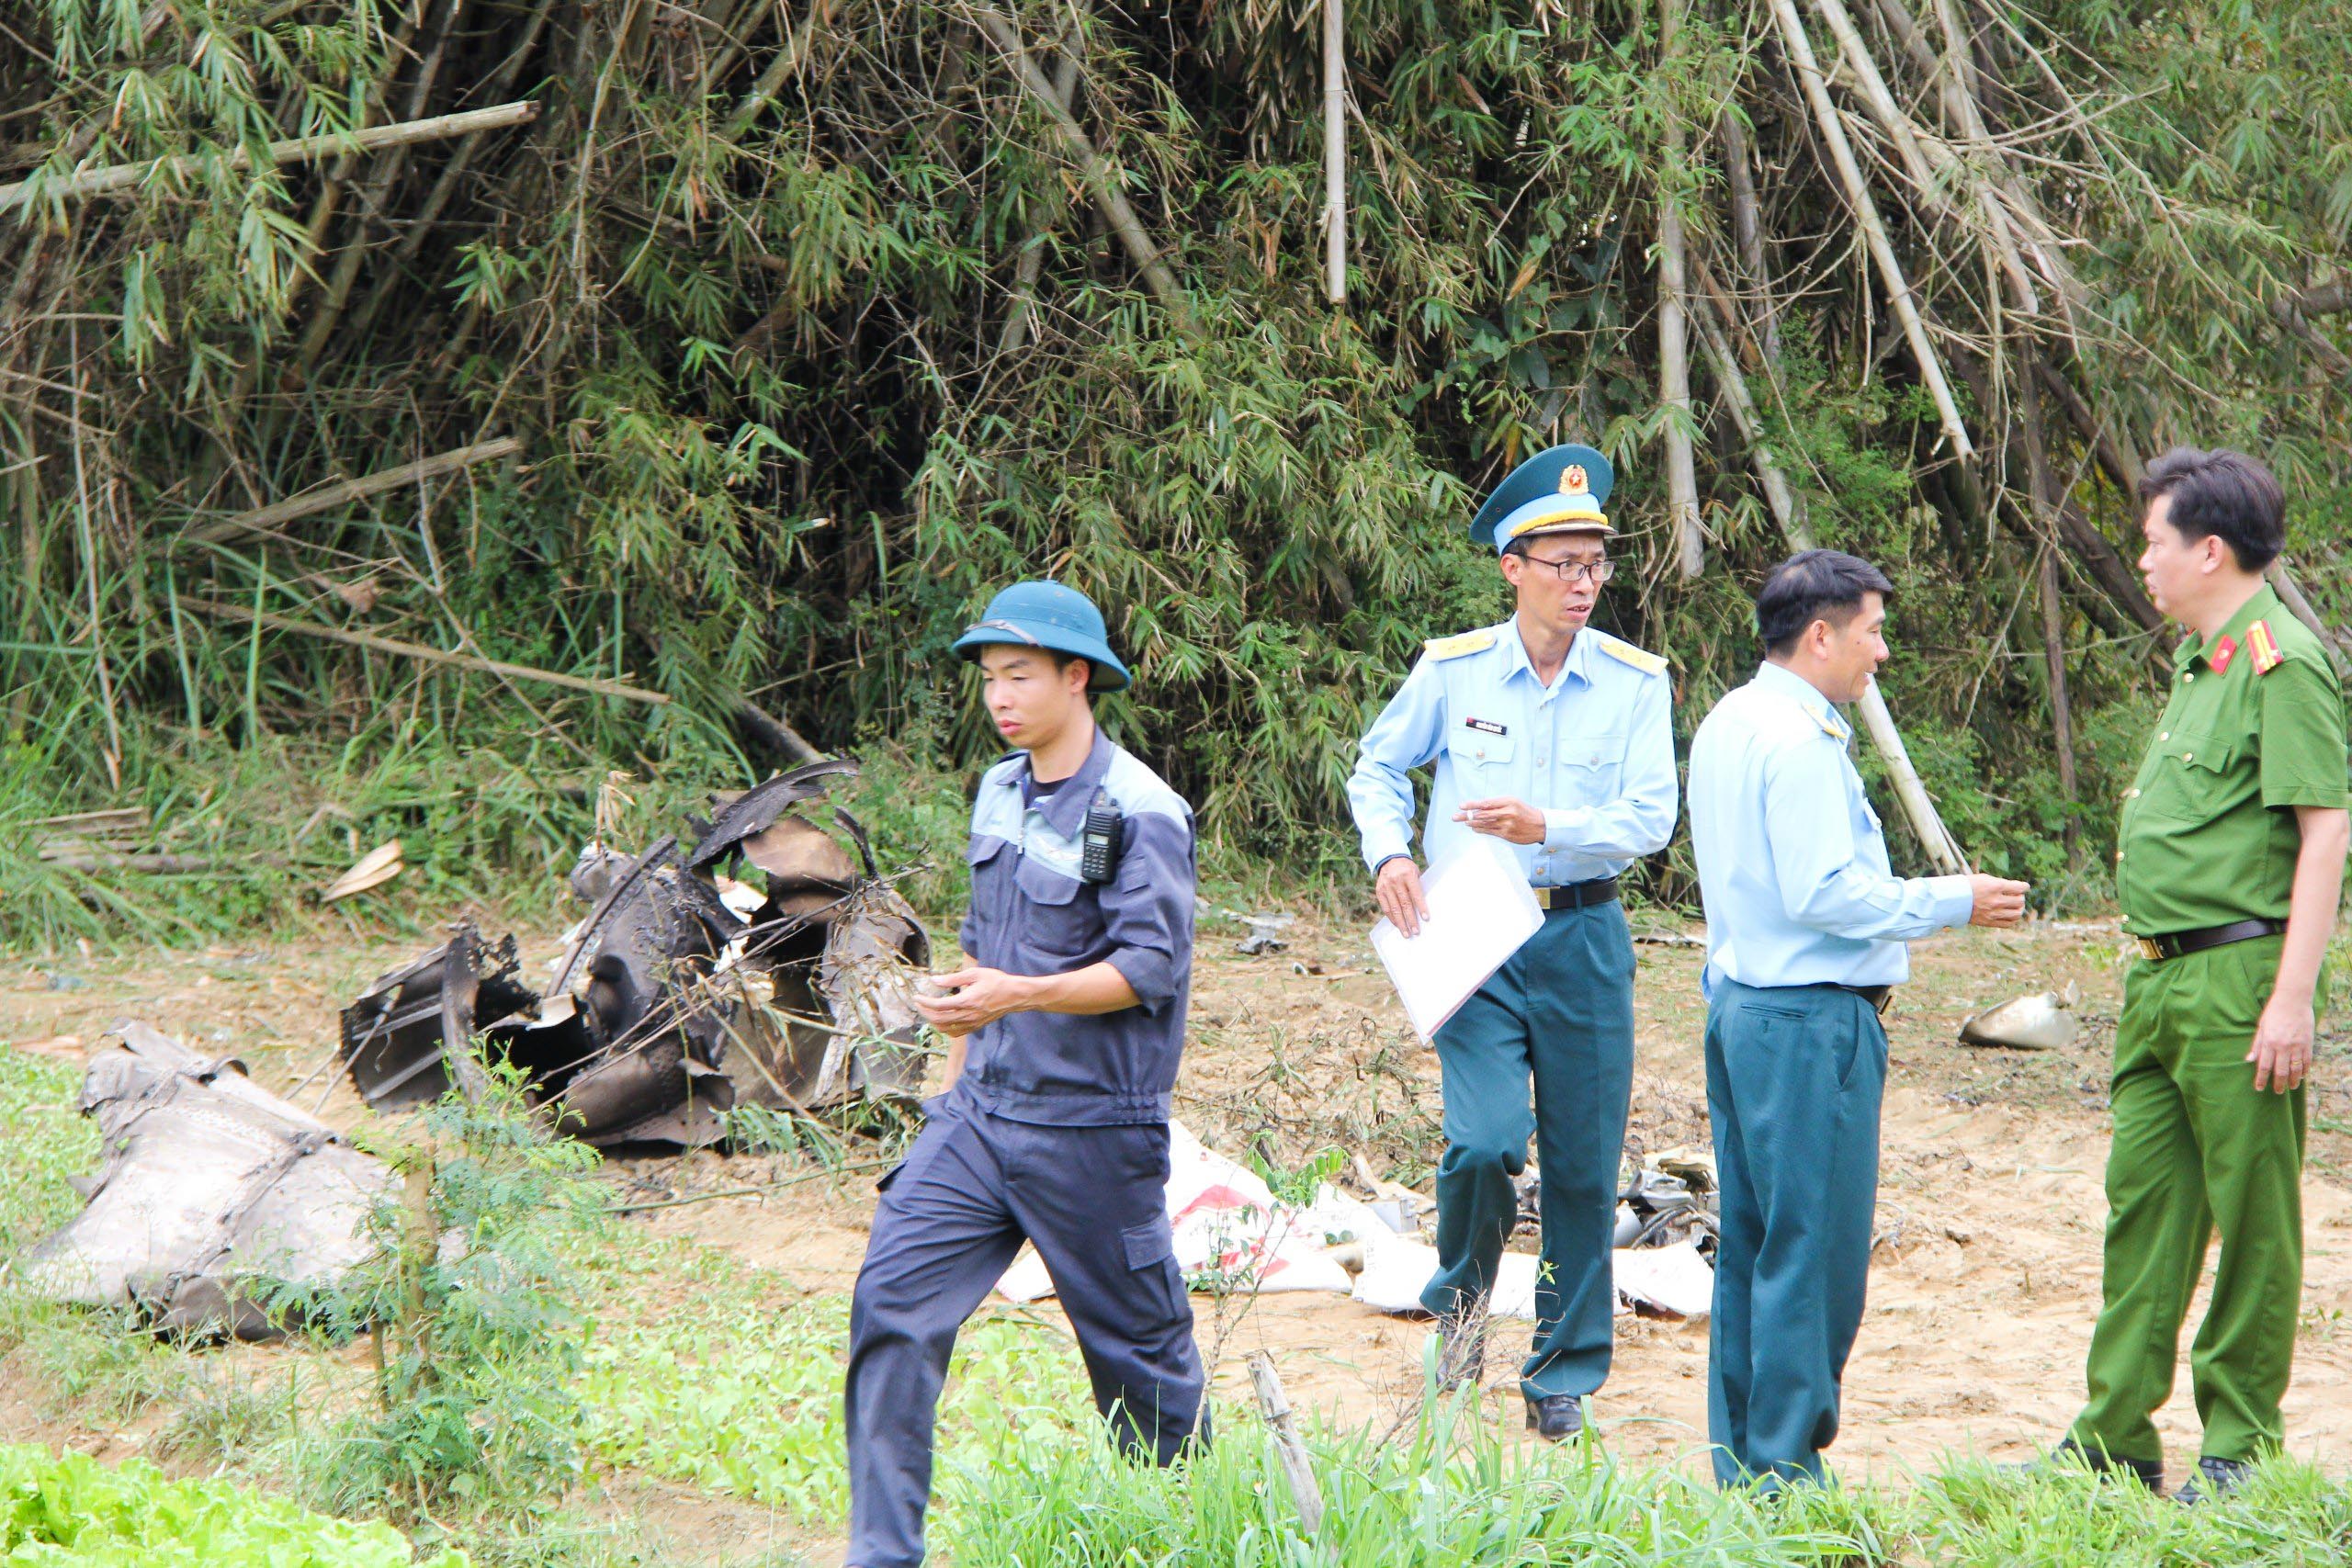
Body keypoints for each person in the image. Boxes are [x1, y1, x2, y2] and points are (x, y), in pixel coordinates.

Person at [842, 581, 1206, 1568]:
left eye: (1020, 676)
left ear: (1075, 677)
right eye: (990, 679)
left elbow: (1149, 970)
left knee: (1139, 1364)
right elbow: (980, 940)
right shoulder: (1000, 787)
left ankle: (1185, 1536)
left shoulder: (1141, 809)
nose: (1000, 698)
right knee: (891, 1308)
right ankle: (881, 1555)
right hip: (979, 1116)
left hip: (1093, 1126)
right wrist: (952, 1062)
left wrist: (1015, 994)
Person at [1345, 444, 1678, 1440]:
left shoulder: (1632, 681)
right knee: (1485, 1144)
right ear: (1512, 568)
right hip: (1474, 937)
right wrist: (1388, 857)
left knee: (1581, 1166)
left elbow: (1652, 815)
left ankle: (1561, 1374)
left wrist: (1555, 830)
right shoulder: (1452, 671)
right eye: (1562, 564)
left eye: (1595, 565)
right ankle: (1456, 1319)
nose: (1583, 585)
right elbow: (1375, 766)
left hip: (1581, 931)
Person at [2043, 448, 2348, 1503]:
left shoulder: (2281, 662)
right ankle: (2110, 1437)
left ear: (2208, 549)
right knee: (2145, 1211)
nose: (2142, 560)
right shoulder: (2202, 664)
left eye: (2152, 542)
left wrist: (2291, 996)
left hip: (2238, 978)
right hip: (2159, 981)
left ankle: (2235, 1451)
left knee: (2253, 1215)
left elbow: (2324, 832)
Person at [1686, 549, 2029, 1488]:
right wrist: (1953, 900)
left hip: (1746, 1011)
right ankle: (1787, 1476)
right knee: (1814, 1252)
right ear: (1822, 634)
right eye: (1872, 630)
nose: (1881, 651)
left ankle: (1746, 1463)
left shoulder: (1730, 718)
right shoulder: (1795, 740)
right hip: (1806, 1027)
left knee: (1754, 1245)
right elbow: (1824, 893)